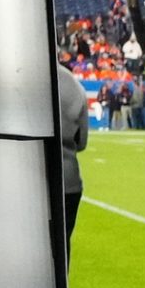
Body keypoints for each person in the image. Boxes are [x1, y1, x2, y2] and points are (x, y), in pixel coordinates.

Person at [55, 63, 89, 261]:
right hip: (68, 179)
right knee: (62, 247)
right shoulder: (74, 85)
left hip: (29, 178)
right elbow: (82, 142)